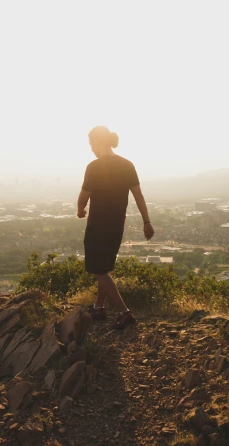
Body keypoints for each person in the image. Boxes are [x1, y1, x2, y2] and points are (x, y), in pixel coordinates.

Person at [77, 126, 154, 330]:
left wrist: (80, 210)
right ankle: (99, 307)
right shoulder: (127, 165)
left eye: (91, 143)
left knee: (99, 269)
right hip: (117, 224)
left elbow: (84, 195)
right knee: (105, 266)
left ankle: (124, 312)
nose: (91, 148)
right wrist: (147, 222)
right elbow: (138, 196)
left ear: (98, 142)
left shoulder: (94, 166)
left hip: (98, 224)